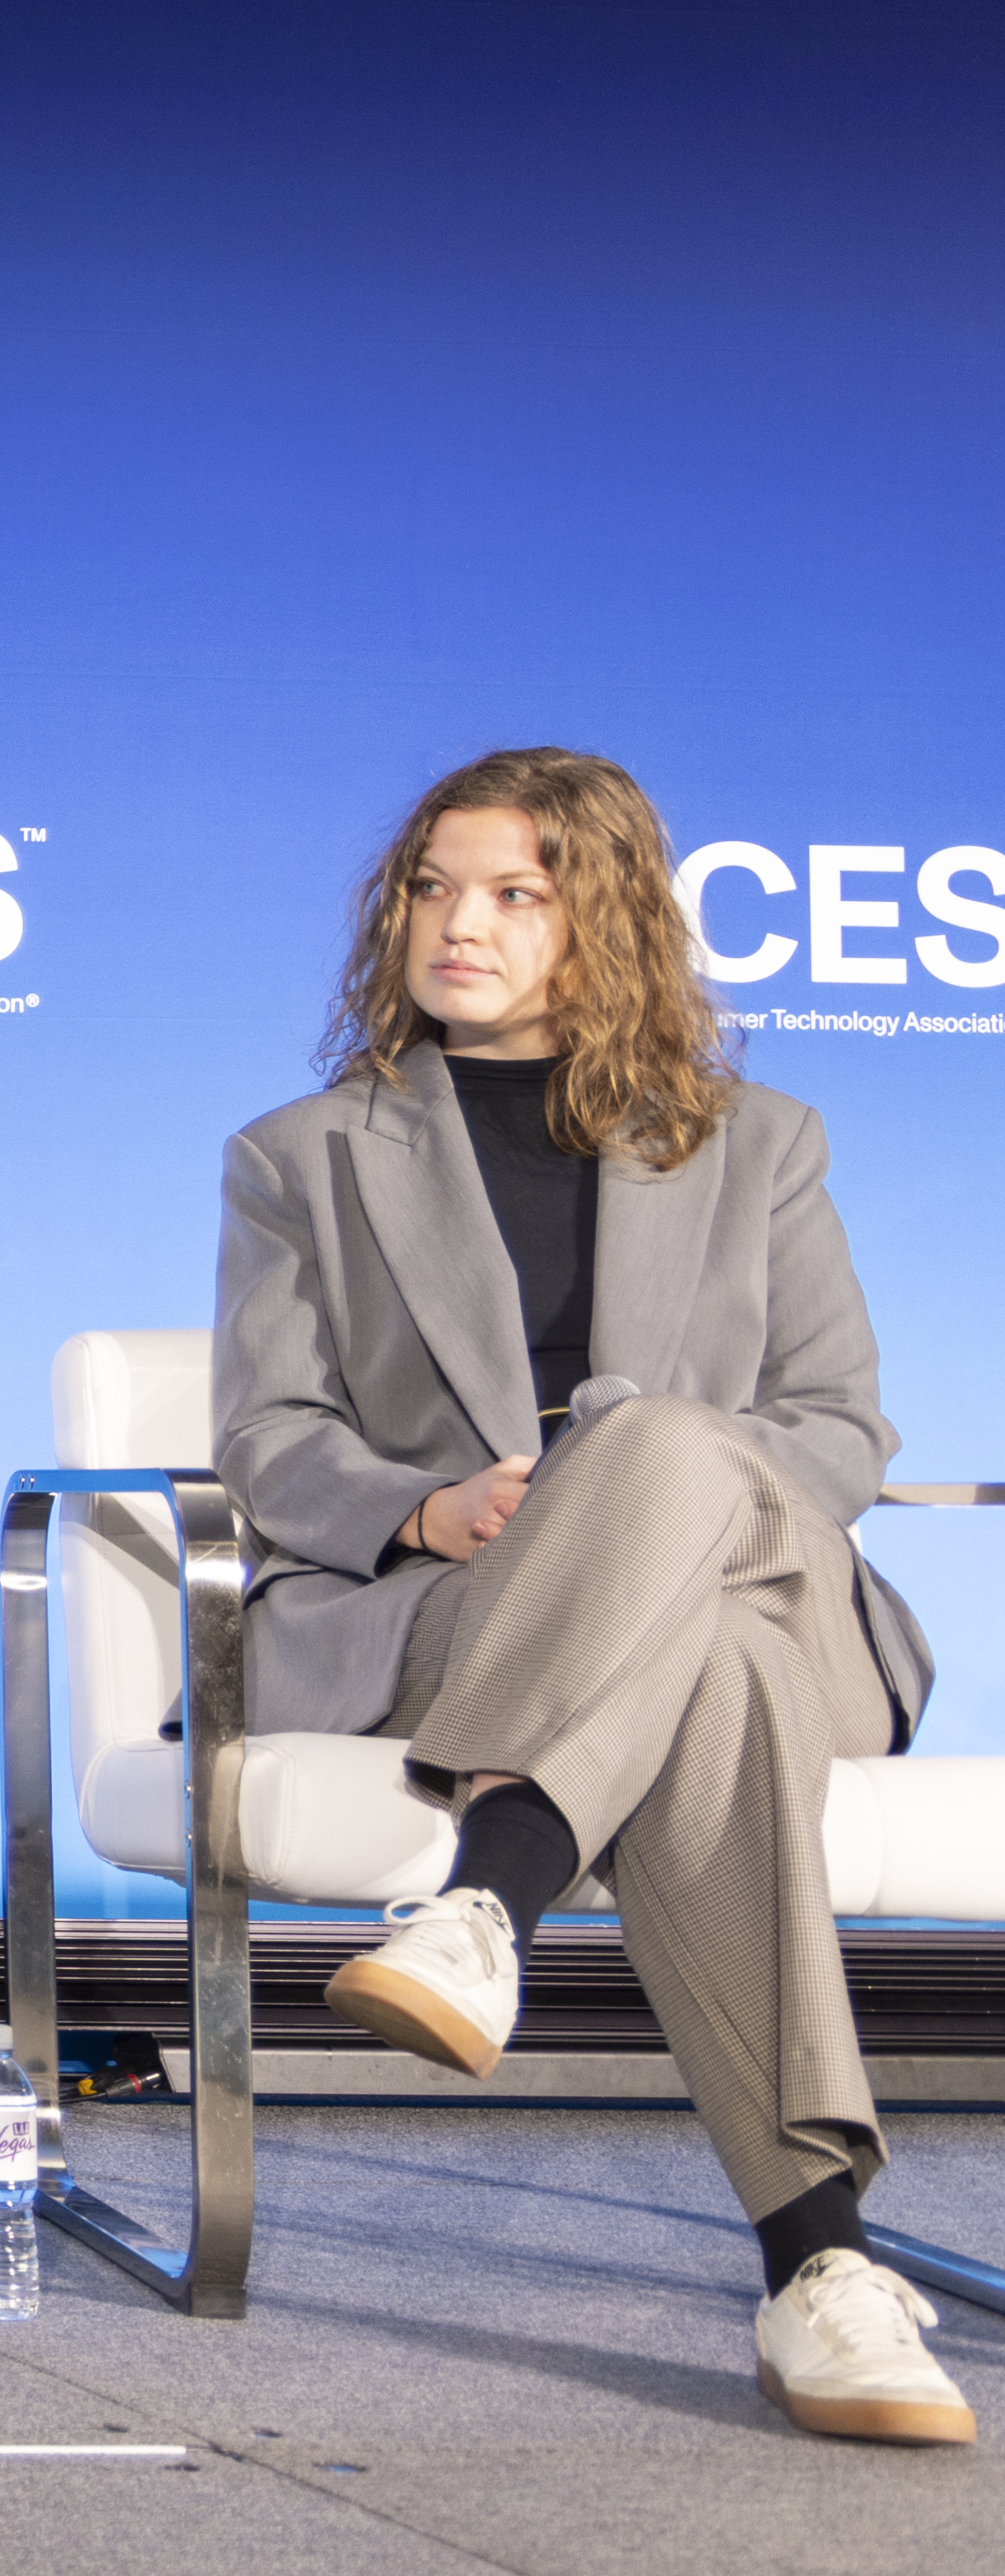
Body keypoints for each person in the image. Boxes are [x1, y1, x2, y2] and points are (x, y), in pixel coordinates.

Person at [219, 748, 963, 2444]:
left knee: (665, 1447)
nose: (455, 925)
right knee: (712, 1687)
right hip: (469, 1607)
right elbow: (266, 1435)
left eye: (511, 893)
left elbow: (840, 1430)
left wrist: (644, 1470)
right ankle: (819, 2269)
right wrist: (424, 1501)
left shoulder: (755, 1143)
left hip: (770, 1588)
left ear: (603, 916)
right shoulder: (301, 1155)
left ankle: (486, 1900)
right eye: (431, 887)